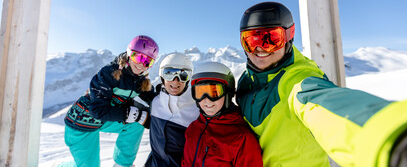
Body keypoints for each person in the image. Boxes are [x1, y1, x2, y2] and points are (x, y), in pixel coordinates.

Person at [235, 1, 407, 167]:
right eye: (250, 40)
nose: (259, 48)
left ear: (289, 36)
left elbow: (327, 107)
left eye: (271, 39)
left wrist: (397, 139)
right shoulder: (246, 81)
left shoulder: (298, 81)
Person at [62, 35, 159, 167]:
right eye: (138, 57)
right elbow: (97, 110)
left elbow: (154, 100)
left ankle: (122, 164)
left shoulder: (140, 80)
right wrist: (129, 113)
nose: (142, 64)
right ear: (129, 53)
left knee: (136, 124)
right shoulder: (109, 73)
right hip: (81, 123)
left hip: (102, 122)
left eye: (148, 62)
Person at [182, 62, 263, 167]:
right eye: (200, 93)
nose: (207, 100)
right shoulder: (193, 128)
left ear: (228, 94)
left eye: (214, 92)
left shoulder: (242, 138)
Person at [145, 53, 200, 167]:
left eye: (183, 75)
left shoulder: (197, 109)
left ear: (188, 79)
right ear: (161, 76)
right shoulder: (155, 102)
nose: (176, 81)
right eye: (169, 74)